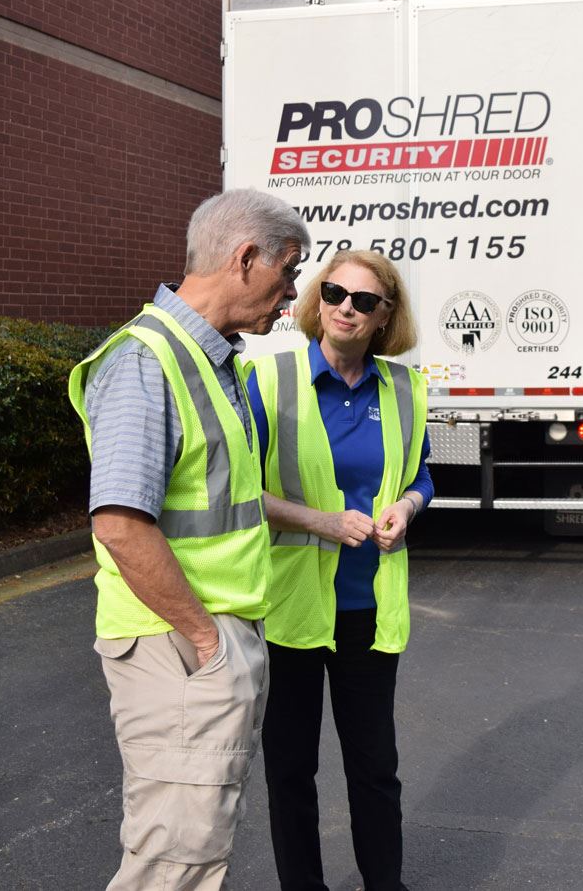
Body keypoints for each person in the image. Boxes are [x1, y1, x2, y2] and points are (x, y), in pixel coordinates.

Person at [67, 189, 309, 891]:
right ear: (244, 259)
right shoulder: (146, 361)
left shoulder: (211, 359)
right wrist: (207, 643)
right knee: (174, 858)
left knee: (194, 847)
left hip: (201, 644)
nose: (291, 294)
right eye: (287, 272)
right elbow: (117, 522)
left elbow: (220, 496)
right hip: (177, 645)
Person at [247, 249, 432, 891]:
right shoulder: (268, 382)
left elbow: (421, 476)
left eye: (363, 301)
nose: (344, 309)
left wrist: (407, 506)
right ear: (316, 300)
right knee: (292, 769)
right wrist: (321, 521)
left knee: (375, 768)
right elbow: (239, 490)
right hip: (292, 610)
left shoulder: (406, 390)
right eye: (333, 294)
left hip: (369, 611)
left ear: (386, 318)